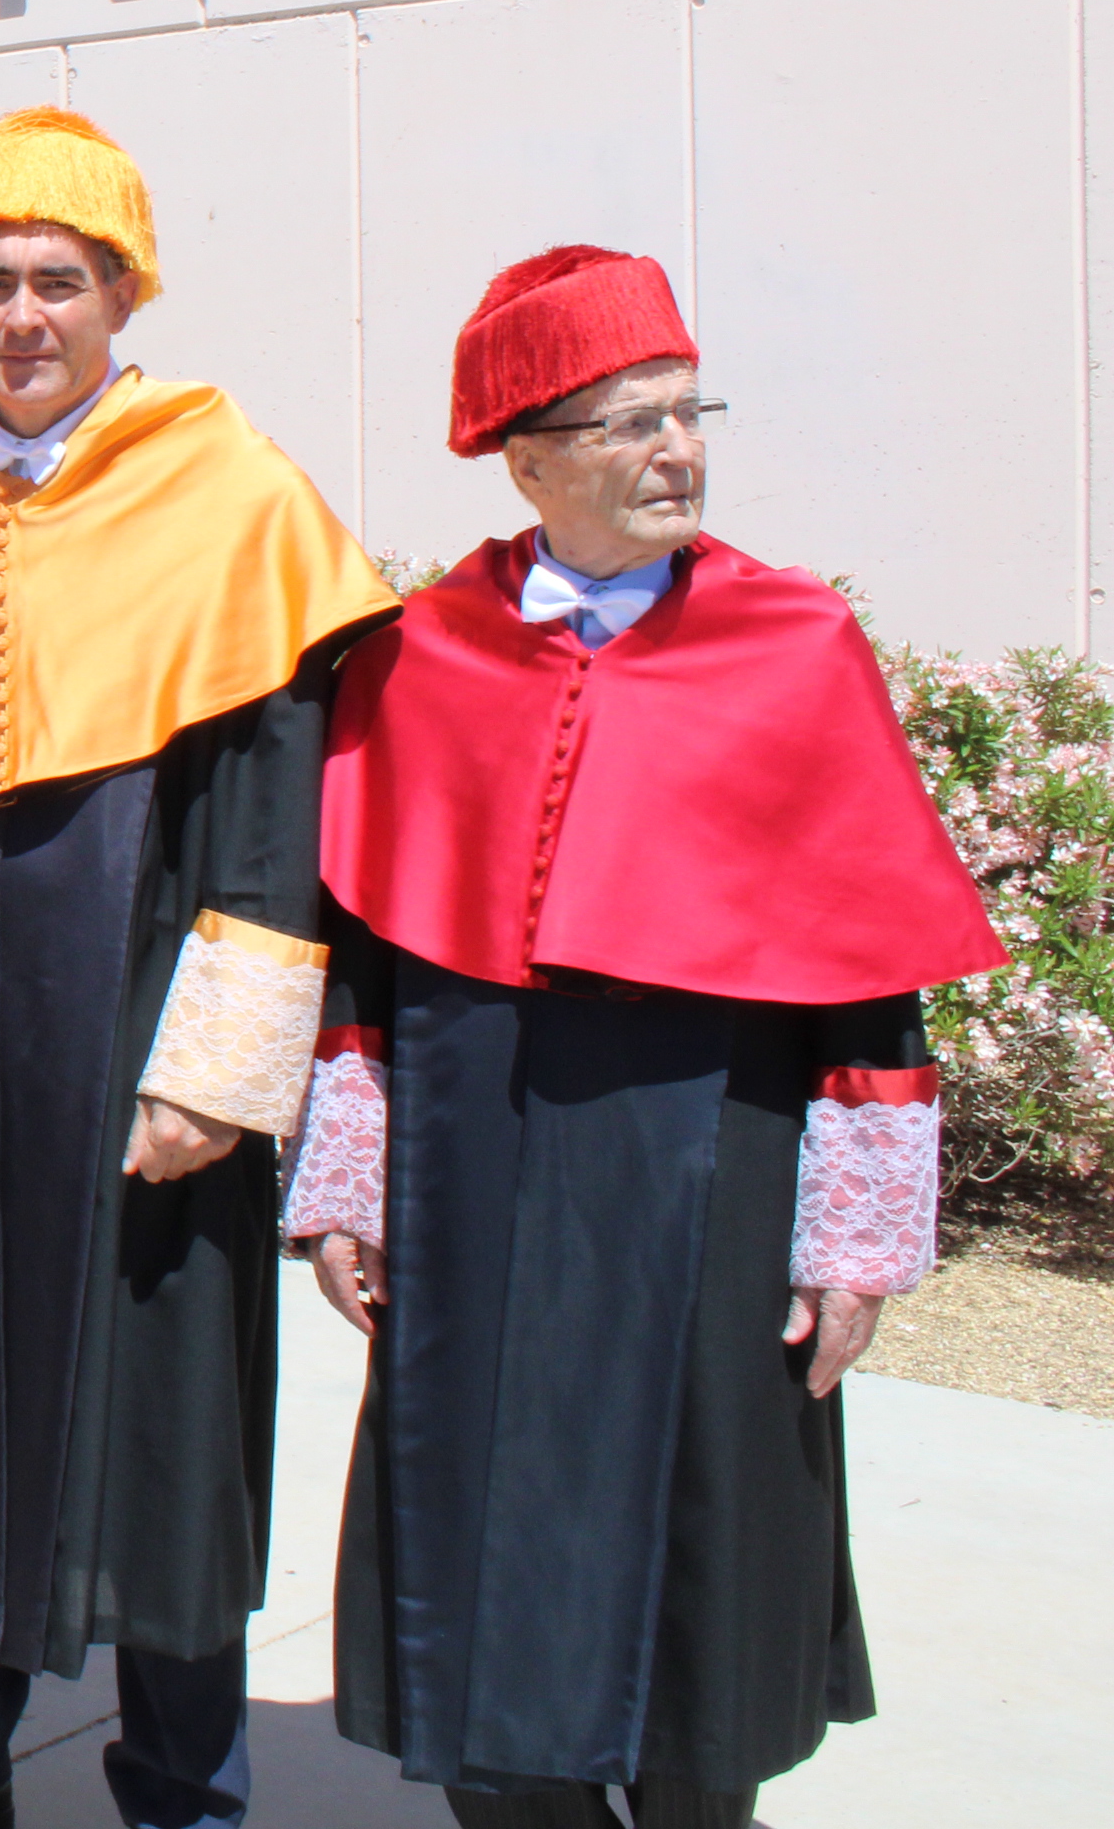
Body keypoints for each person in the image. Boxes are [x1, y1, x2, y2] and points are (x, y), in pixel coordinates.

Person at [290, 248, 997, 1829]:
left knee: (705, 1522)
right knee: (481, 1519)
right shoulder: (418, 651)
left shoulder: (793, 642)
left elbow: (874, 981)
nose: (676, 451)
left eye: (690, 414)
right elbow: (369, 961)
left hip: (713, 1159)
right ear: (527, 458)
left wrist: (855, 1244)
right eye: (631, 424)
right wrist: (346, 1186)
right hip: (476, 1165)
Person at [0, 110, 395, 1829]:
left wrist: (213, 1065)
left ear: (120, 291)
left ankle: (180, 1784)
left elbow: (274, 814)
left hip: (137, 1040)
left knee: (161, 1421)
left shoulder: (226, 492)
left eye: (58, 280)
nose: (22, 314)